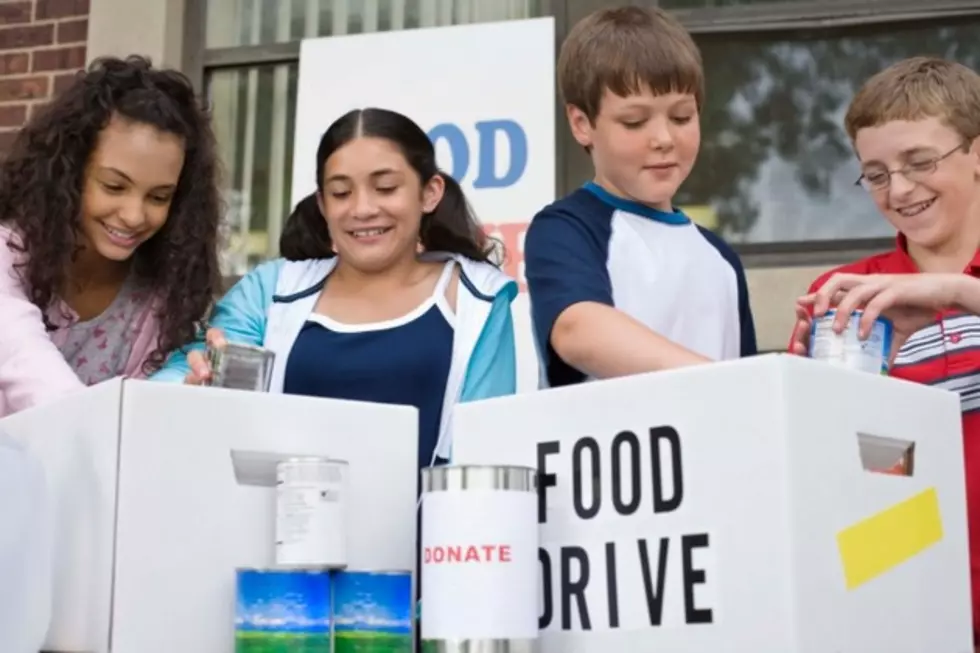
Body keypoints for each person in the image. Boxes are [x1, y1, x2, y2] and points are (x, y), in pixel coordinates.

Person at [151, 107, 518, 469]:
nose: (362, 209)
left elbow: (485, 450)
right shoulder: (271, 290)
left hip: (428, 526)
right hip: (283, 524)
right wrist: (192, 382)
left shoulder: (477, 298)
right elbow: (175, 380)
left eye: (386, 188)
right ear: (323, 204)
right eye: (341, 193)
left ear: (430, 192)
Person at [788, 57, 980, 644]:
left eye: (920, 162)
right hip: (909, 608)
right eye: (875, 173)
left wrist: (955, 292)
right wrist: (804, 393)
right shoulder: (848, 296)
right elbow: (834, 476)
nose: (899, 189)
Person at [524, 5, 756, 389]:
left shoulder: (722, 259)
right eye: (634, 122)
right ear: (582, 124)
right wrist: (721, 381)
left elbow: (751, 385)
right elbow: (577, 330)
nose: (664, 139)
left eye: (682, 117)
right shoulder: (567, 228)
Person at [0, 55, 222, 417]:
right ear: (68, 172)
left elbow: (136, 420)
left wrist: (179, 397)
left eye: (158, 197)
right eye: (115, 186)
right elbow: (23, 360)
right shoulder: (8, 254)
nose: (134, 215)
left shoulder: (161, 297)